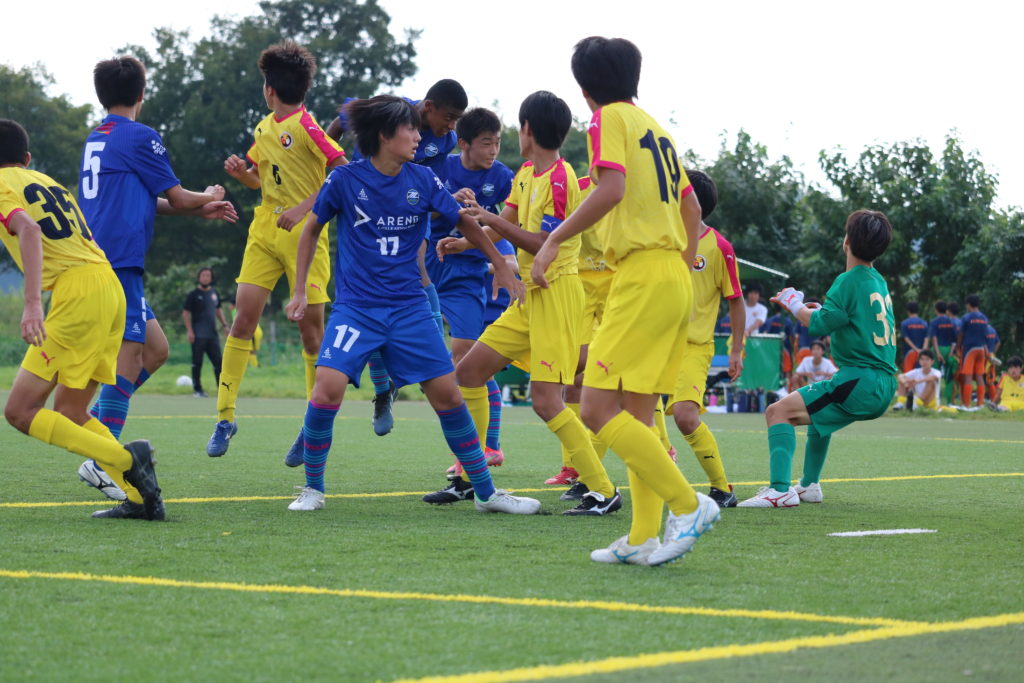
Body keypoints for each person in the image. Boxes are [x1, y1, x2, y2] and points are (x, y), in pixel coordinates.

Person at [283, 95, 538, 515]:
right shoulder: (344, 180)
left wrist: (499, 263)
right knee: (327, 388)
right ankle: (312, 488)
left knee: (449, 396)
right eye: (410, 130)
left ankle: (486, 494)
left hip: (409, 308)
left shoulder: (423, 179)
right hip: (356, 308)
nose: (419, 137)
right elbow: (311, 230)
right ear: (385, 136)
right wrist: (298, 291)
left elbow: (465, 221)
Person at [532, 36, 720, 566]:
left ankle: (689, 504)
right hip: (671, 276)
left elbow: (611, 188)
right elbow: (691, 210)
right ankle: (642, 537)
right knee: (639, 414)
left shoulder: (606, 119)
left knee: (595, 408)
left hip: (641, 276)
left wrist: (552, 239)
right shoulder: (657, 128)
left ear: (584, 88)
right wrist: (678, 266)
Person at [434, 91, 620, 517]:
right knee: (468, 374)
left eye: (517, 128)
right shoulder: (526, 174)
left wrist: (487, 218)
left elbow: (542, 242)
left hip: (557, 294)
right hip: (528, 295)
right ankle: (472, 476)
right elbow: (510, 222)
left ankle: (603, 490)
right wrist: (465, 242)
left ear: (528, 130)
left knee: (546, 400)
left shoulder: (560, 178)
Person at [77, 56, 237, 499]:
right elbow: (178, 196)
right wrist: (209, 195)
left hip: (105, 257)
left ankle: (97, 426)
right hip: (118, 261)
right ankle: (101, 457)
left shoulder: (98, 137)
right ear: (142, 94)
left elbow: (148, 200)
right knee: (128, 359)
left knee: (157, 350)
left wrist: (198, 208)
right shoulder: (139, 135)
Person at [0, 118, 163, 521]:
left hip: (78, 294)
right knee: (72, 410)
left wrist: (32, 303)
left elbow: (28, 231)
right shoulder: (48, 182)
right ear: (27, 158)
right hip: (108, 286)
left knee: (19, 411)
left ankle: (126, 459)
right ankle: (142, 499)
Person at [207, 41, 346, 461]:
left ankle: (311, 425)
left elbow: (342, 173)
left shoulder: (310, 128)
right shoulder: (263, 128)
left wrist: (303, 208)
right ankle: (225, 417)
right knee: (242, 321)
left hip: (307, 232)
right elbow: (259, 179)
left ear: (270, 89)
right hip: (265, 230)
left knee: (310, 333)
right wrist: (242, 174)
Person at [327, 80, 468, 437]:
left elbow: (433, 181)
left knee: (416, 270)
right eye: (449, 117)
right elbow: (341, 121)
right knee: (372, 290)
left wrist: (446, 200)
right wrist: (332, 162)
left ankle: (429, 349)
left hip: (407, 211)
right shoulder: (390, 111)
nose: (451, 126)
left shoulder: (446, 141)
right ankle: (381, 390)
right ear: (428, 107)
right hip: (365, 211)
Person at [738, 209, 898, 509]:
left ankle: (779, 491)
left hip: (859, 381)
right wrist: (820, 310)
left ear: (846, 241)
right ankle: (809, 485)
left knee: (777, 412)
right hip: (884, 383)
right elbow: (850, 320)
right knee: (819, 418)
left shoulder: (847, 280)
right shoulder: (878, 282)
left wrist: (793, 303)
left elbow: (819, 324)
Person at [424, 108, 514, 476]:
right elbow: (419, 208)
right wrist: (448, 201)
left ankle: (486, 447)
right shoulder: (439, 168)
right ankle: (385, 385)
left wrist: (486, 250)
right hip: (428, 265)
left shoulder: (503, 178)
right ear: (463, 143)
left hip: (467, 273)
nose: (493, 150)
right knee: (428, 355)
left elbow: (510, 221)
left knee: (466, 356)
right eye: (486, 143)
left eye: (497, 143)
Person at [666, 169, 745, 509]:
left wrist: (736, 350)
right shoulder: (662, 237)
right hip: (654, 342)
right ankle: (589, 481)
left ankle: (722, 488)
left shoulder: (719, 247)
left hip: (693, 348)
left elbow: (736, 300)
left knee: (685, 416)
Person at [182, 266, 228, 397]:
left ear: (211, 278)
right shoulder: (193, 295)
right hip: (198, 334)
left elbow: (218, 310)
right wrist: (190, 331)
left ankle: (222, 390)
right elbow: (186, 313)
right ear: (199, 277)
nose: (205, 278)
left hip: (212, 334)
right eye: (203, 275)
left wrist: (225, 325)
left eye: (208, 276)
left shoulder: (214, 293)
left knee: (219, 362)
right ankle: (198, 390)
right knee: (197, 363)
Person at [957, 294, 989, 408]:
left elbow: (961, 334)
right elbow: (985, 335)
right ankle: (980, 403)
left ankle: (967, 403)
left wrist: (958, 347)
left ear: (968, 305)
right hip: (981, 349)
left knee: (968, 376)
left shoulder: (966, 317)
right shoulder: (984, 318)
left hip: (969, 349)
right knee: (980, 376)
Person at [927, 300, 958, 405]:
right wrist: (951, 353)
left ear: (936, 310)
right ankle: (949, 401)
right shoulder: (951, 321)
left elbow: (934, 338)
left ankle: (934, 398)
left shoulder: (934, 321)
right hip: (949, 349)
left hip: (938, 349)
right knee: (949, 376)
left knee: (935, 373)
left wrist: (938, 353)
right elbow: (954, 340)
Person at [899, 301, 929, 371]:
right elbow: (926, 338)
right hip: (922, 354)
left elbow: (906, 339)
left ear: (908, 311)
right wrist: (923, 351)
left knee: (908, 374)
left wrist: (916, 349)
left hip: (909, 353)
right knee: (921, 373)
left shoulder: (904, 323)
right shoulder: (924, 323)